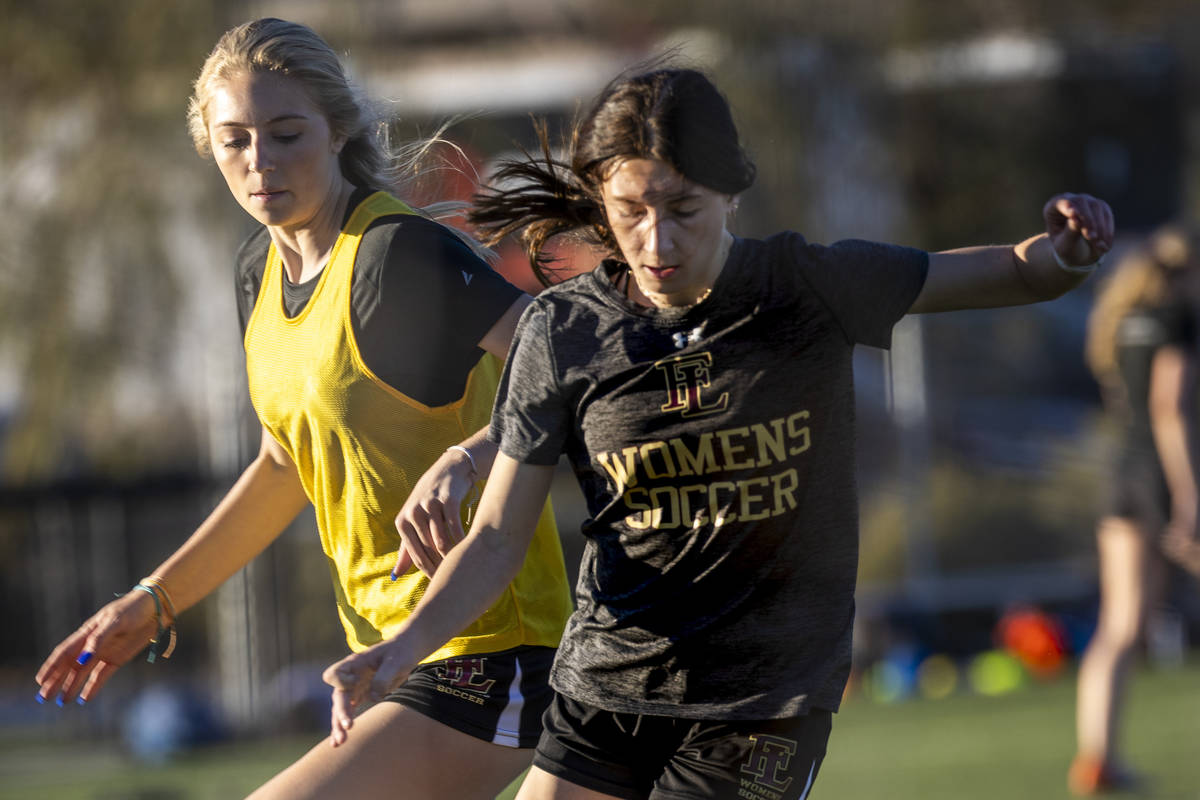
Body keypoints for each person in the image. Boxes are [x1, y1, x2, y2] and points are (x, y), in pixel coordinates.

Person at [324, 67, 1115, 800]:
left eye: (684, 210)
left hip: (762, 703)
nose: (657, 243)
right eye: (632, 212)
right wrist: (401, 652)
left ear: (731, 193)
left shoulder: (806, 287)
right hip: (606, 686)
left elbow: (1009, 272)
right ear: (600, 200)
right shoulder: (562, 331)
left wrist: (1065, 255)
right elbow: (496, 536)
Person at [33, 18, 573, 800]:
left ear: (338, 128)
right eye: (235, 141)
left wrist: (471, 457)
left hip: (492, 651)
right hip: (381, 660)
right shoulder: (258, 271)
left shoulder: (397, 256)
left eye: (286, 134)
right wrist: (157, 600)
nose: (261, 163)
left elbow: (569, 361)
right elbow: (284, 464)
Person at [1069, 226, 1200, 795]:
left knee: (1120, 626)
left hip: (1120, 473)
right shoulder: (1179, 319)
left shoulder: (1117, 323)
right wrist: (1189, 498)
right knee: (1130, 623)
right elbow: (1170, 410)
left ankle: (1096, 759)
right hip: (1166, 476)